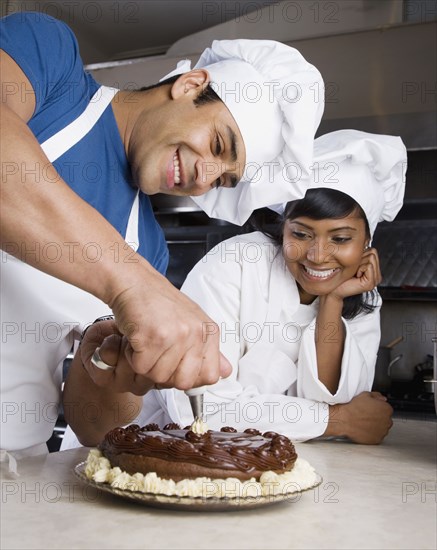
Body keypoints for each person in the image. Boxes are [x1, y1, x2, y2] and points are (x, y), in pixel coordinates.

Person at [0, 12, 324, 456]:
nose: (205, 176)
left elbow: (90, 425)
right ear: (190, 85)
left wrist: (108, 369)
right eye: (218, 145)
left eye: (224, 180)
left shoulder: (148, 248)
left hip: (18, 470)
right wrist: (133, 284)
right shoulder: (50, 61)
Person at [62, 129, 407, 447]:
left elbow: (351, 407)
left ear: (367, 243)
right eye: (300, 234)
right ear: (283, 228)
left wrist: (331, 302)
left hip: (263, 470)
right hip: (148, 450)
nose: (317, 256)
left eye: (341, 238)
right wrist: (335, 421)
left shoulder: (361, 294)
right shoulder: (239, 262)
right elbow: (199, 410)